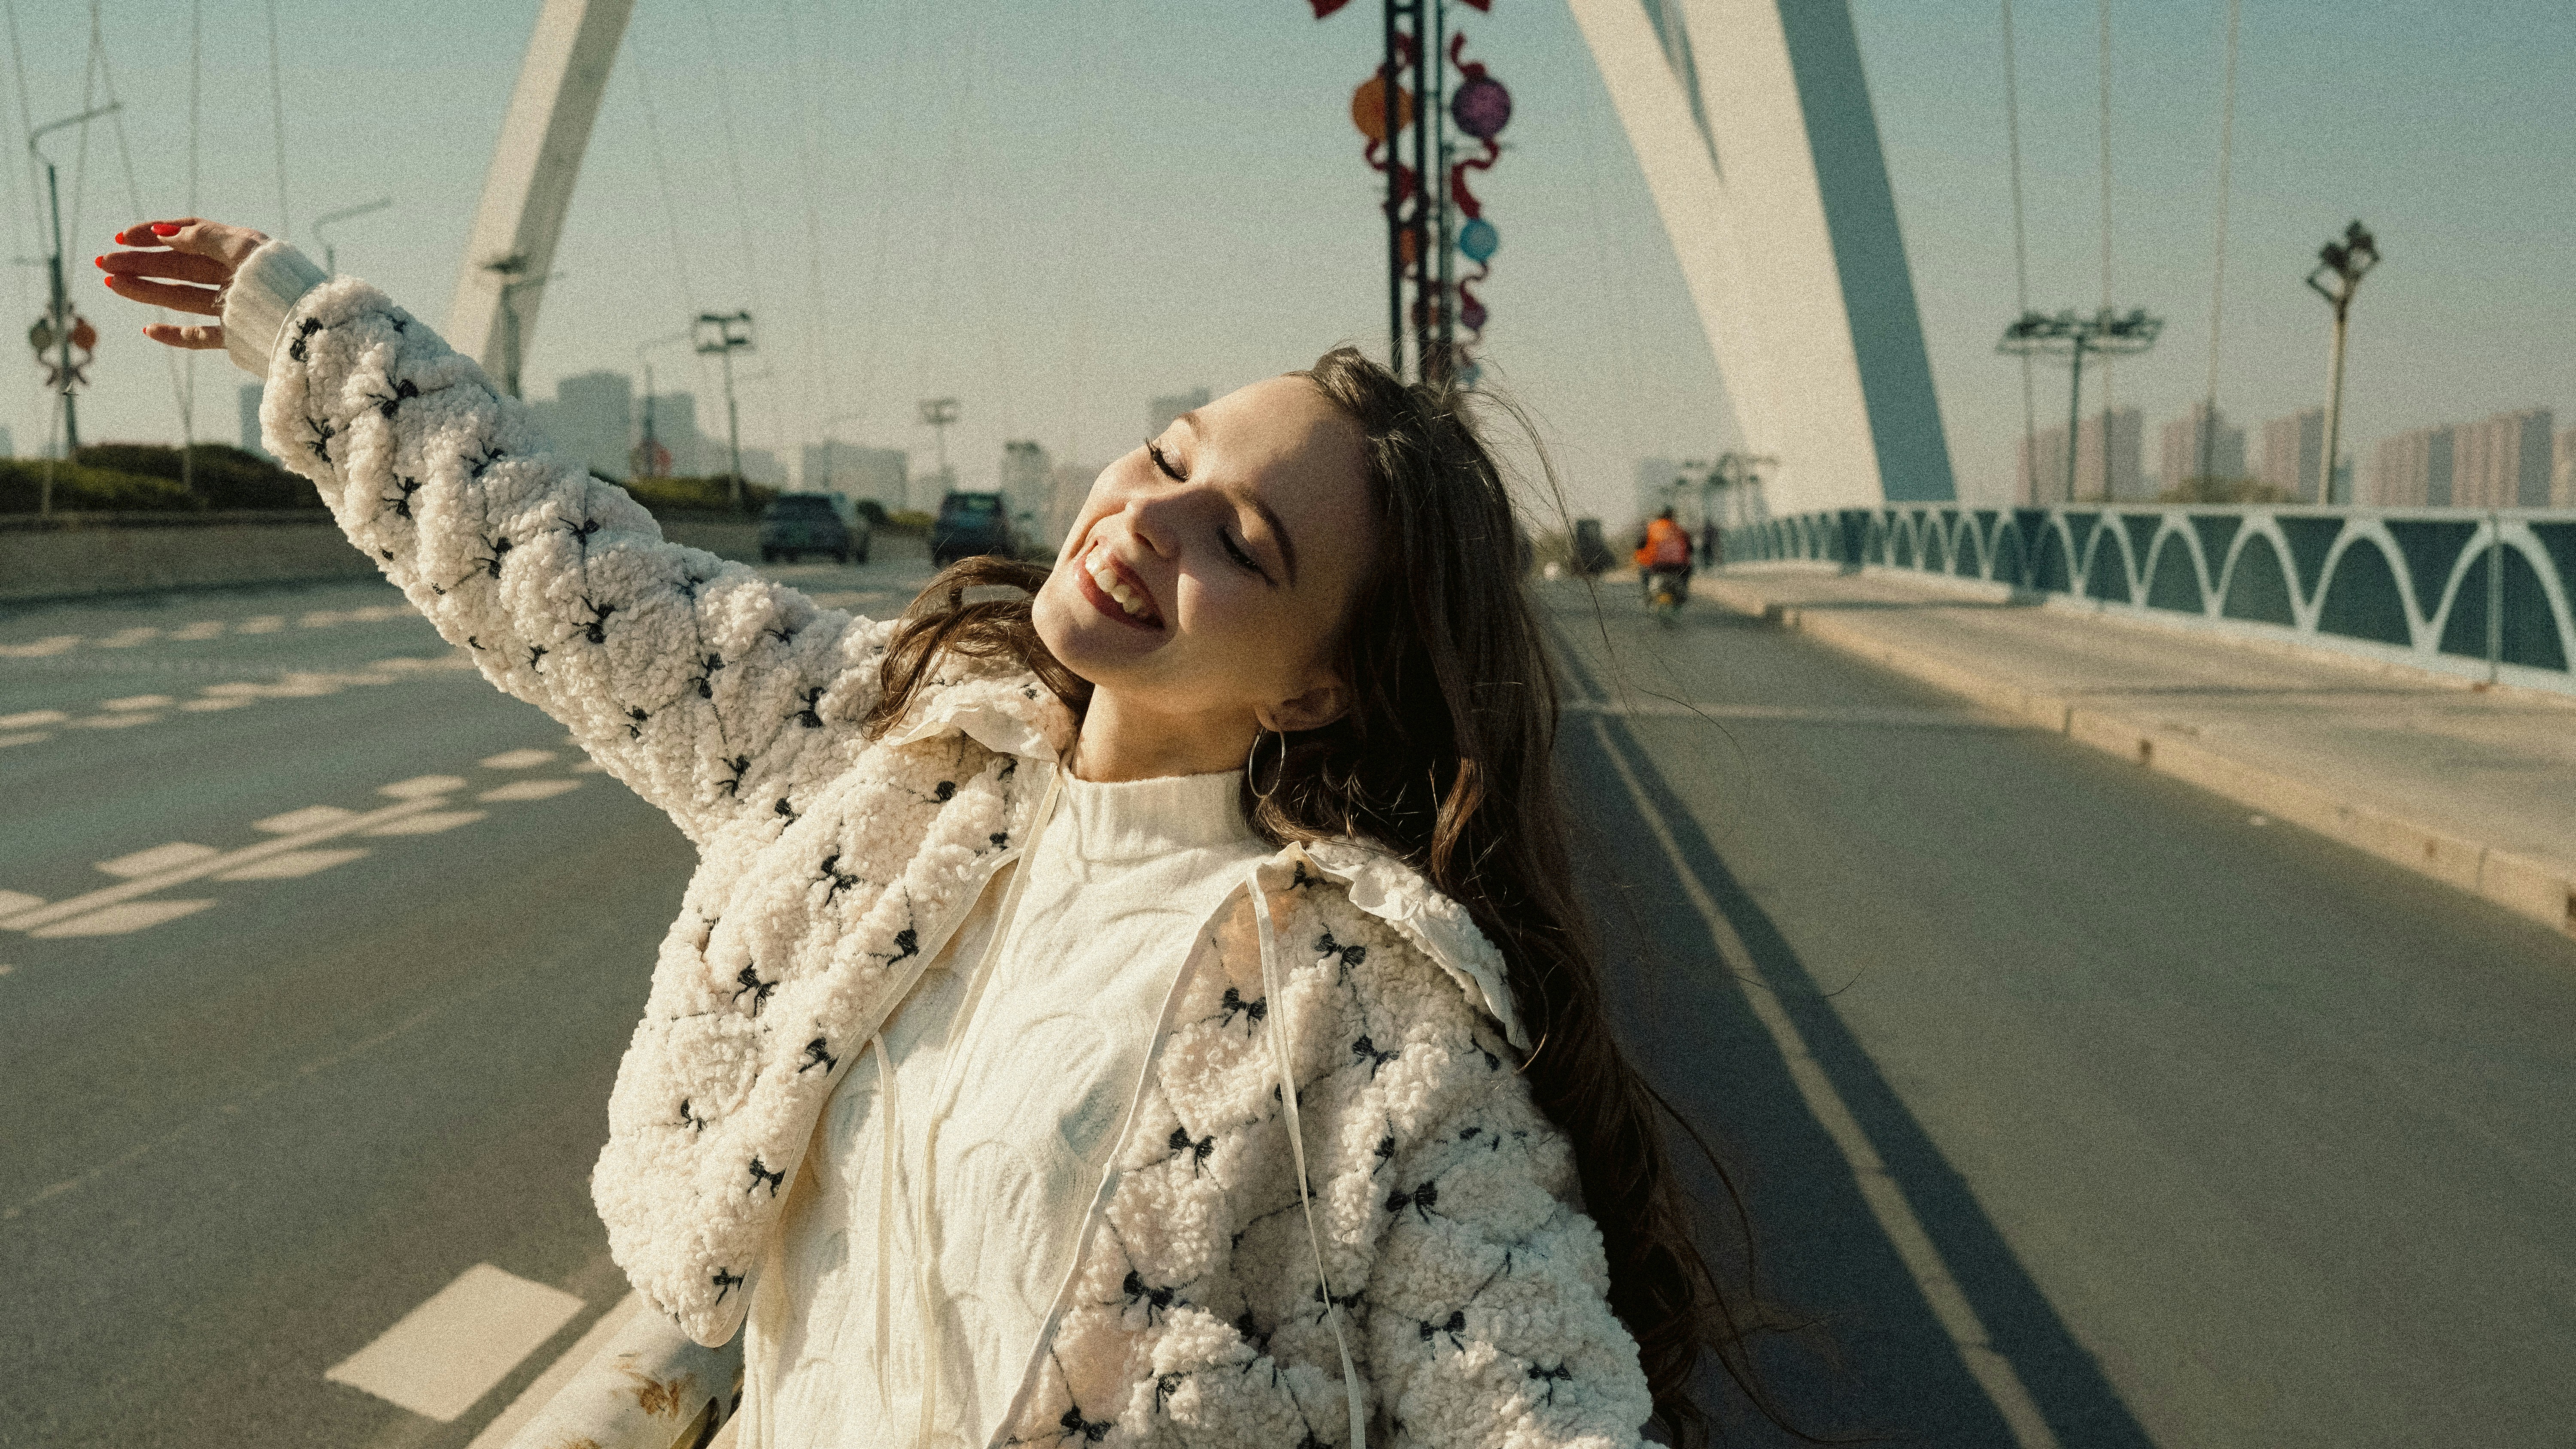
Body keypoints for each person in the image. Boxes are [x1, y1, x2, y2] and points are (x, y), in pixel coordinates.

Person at [103, 218, 1823, 1448]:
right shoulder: (900, 759)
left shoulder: (1366, 1016)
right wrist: (310, 334)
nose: (1145, 519)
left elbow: (1536, 1392)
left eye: (1239, 539)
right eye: (1164, 452)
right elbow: (583, 587)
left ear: (1313, 692)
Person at [1634, 507, 1692, 603]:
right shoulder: (1679, 529)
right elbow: (1690, 547)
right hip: (1677, 567)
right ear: (1673, 516)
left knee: (1644, 571)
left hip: (1655, 566)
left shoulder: (1652, 528)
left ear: (1659, 516)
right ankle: (1684, 596)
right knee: (1688, 571)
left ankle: (1646, 595)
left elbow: (1640, 545)